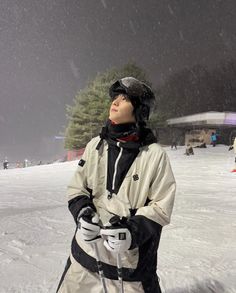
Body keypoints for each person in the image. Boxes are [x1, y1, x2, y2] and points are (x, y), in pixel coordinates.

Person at [57, 77, 176, 293]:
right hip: (85, 258)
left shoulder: (154, 155)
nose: (116, 102)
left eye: (124, 99)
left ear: (140, 111)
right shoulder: (96, 145)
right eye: (115, 98)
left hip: (130, 271)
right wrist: (82, 213)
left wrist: (132, 232)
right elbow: (77, 187)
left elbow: (161, 208)